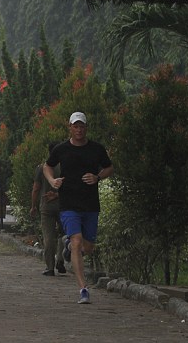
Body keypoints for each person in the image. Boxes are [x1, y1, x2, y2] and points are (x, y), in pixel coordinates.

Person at [43, 112, 113, 304]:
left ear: (86, 128)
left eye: (82, 126)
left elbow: (109, 167)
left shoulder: (96, 149)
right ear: (70, 127)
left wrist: (98, 177)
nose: (79, 129)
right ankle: (83, 288)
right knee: (77, 241)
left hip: (90, 204)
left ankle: (68, 247)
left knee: (87, 247)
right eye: (75, 126)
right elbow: (47, 166)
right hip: (69, 203)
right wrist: (52, 180)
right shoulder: (61, 149)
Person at [30, 142, 65, 276]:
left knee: (49, 236)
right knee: (64, 233)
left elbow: (36, 189)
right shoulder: (64, 167)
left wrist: (33, 206)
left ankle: (50, 267)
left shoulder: (42, 168)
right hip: (63, 205)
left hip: (46, 206)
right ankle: (60, 260)